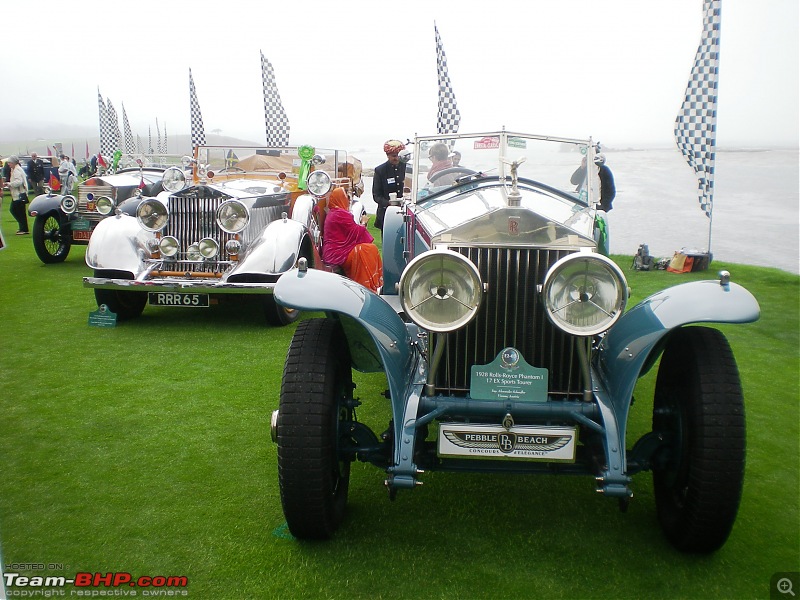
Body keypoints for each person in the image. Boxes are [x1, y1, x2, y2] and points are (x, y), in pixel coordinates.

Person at [323, 187, 383, 292]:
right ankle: (368, 285)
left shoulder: (334, 213)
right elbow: (355, 231)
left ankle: (373, 283)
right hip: (338, 253)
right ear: (340, 199)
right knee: (367, 250)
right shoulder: (340, 214)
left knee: (368, 249)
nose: (348, 200)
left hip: (334, 252)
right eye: (346, 197)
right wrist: (363, 223)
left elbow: (350, 233)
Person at [372, 139, 406, 234]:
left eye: (398, 156)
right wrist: (389, 203)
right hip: (386, 214)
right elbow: (376, 196)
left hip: (405, 212)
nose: (396, 159)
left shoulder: (408, 168)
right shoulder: (380, 170)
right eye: (393, 156)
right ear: (387, 155)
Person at [7, 156, 30, 234]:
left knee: (15, 210)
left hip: (19, 194)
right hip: (19, 194)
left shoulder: (17, 170)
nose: (8, 164)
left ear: (13, 163)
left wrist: (10, 184)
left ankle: (23, 228)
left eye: (9, 162)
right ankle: (24, 228)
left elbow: (19, 182)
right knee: (20, 212)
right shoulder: (16, 169)